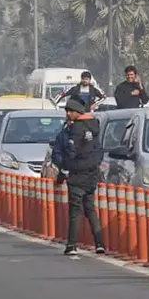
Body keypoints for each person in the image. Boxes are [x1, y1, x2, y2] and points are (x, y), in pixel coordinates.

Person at [62, 97, 105, 256]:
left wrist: (65, 167)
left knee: (75, 211)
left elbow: (71, 151)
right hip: (92, 173)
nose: (67, 114)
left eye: (69, 111)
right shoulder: (95, 125)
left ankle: (72, 244)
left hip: (77, 174)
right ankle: (99, 243)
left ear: (76, 112)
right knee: (91, 209)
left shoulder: (77, 128)